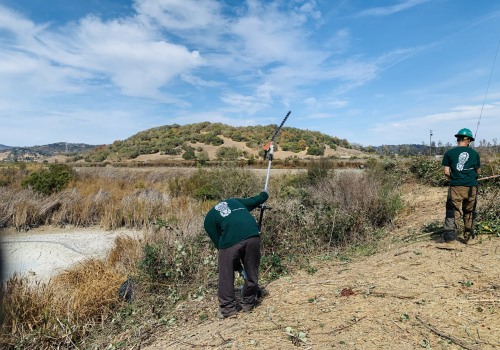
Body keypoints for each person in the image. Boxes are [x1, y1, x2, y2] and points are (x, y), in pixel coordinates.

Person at [204, 190, 269, 319]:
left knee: (226, 274)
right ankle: (248, 303)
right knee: (251, 270)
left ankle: (228, 309)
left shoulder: (209, 218)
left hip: (231, 240)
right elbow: (254, 200)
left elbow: (219, 243)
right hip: (253, 235)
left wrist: (231, 261)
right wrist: (264, 195)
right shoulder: (235, 201)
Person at [441, 128, 481, 243]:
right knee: (469, 210)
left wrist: (454, 178)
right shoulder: (475, 154)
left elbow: (446, 172)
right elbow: (478, 172)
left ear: (458, 139)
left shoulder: (449, 153)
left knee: (452, 211)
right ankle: (468, 237)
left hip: (455, 187)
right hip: (471, 187)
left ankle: (450, 240)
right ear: (468, 140)